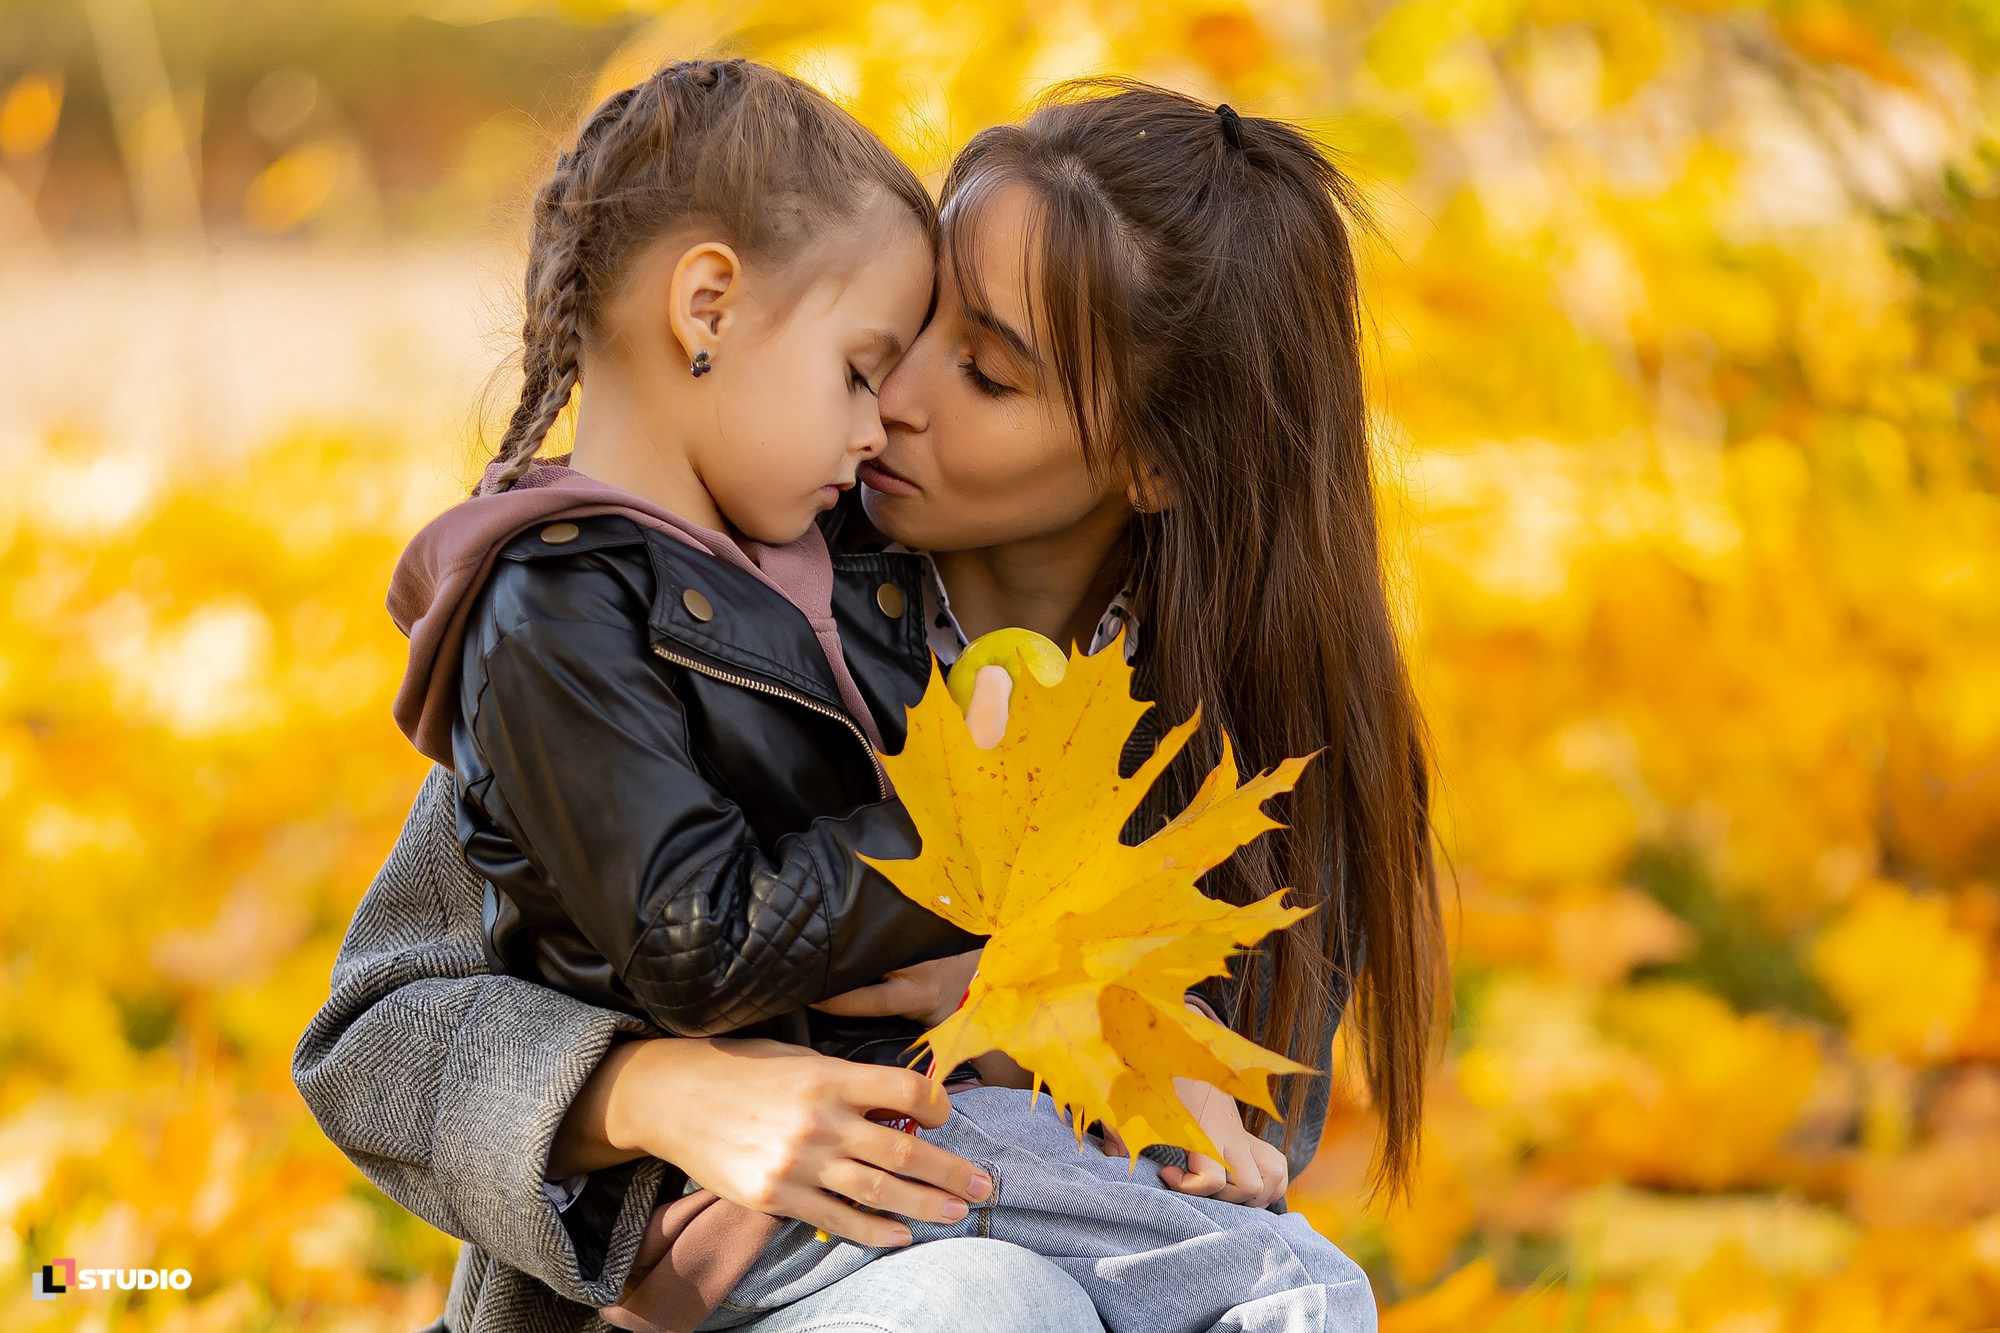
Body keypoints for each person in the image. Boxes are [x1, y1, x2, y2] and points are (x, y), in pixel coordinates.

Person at [294, 74, 1446, 1333]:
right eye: (899, 335)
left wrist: (1006, 997)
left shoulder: (1265, 732)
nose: (894, 399)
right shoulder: (724, 580)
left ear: (1151, 460)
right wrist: (645, 1089)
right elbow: (378, 1034)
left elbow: (1218, 1161)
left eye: (985, 376)